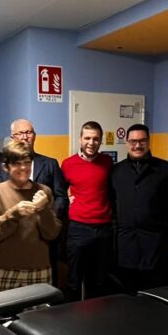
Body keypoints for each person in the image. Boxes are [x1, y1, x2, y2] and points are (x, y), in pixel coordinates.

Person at [110, 124, 168, 292]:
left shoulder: (165, 169)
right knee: (127, 291)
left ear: (149, 142)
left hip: (156, 242)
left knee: (155, 290)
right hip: (126, 242)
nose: (137, 145)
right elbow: (111, 203)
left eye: (142, 141)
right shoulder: (117, 171)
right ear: (126, 143)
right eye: (133, 141)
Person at [0, 141, 62, 293]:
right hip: (1, 268)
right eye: (17, 164)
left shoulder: (44, 192)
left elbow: (52, 234)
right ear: (6, 167)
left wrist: (43, 209)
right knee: (0, 310)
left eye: (27, 163)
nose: (23, 168)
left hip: (38, 269)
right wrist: (13, 214)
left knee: (39, 310)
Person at [10, 119, 67, 283]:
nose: (25, 137)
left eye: (29, 132)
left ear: (34, 136)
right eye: (20, 133)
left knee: (48, 278)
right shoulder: (4, 166)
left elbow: (61, 197)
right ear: (13, 137)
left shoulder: (50, 164)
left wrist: (49, 218)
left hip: (45, 234)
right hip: (17, 234)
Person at [60, 121, 113, 301]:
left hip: (104, 228)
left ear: (101, 141)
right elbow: (60, 192)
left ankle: (96, 316)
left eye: (96, 139)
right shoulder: (68, 164)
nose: (91, 142)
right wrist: (67, 198)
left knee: (99, 280)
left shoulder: (107, 162)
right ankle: (72, 314)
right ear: (80, 139)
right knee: (74, 280)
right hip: (78, 229)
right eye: (87, 138)